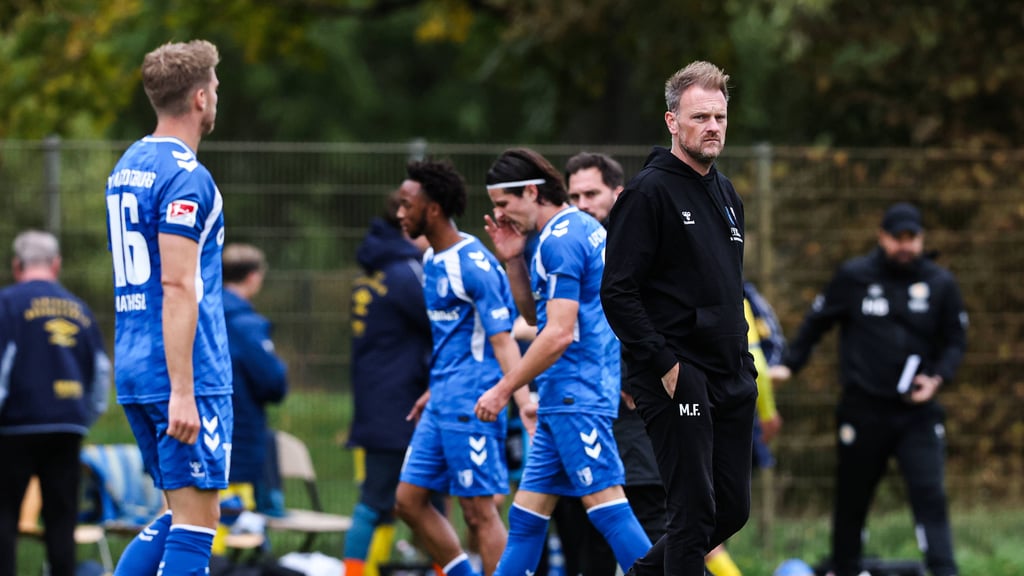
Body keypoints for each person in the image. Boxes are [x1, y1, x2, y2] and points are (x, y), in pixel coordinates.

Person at [600, 61, 758, 575]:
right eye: (699, 117)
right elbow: (617, 291)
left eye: (720, 117)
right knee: (692, 516)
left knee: (730, 510)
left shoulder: (727, 194)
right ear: (672, 122)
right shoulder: (648, 193)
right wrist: (667, 365)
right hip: (678, 377)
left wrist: (745, 366)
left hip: (731, 374)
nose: (712, 127)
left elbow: (728, 291)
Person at [474, 147, 652, 576]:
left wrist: (502, 390)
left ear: (531, 192)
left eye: (503, 204)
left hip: (579, 396)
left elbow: (557, 334)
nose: (499, 215)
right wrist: (513, 259)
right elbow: (538, 315)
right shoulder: (568, 232)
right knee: (526, 521)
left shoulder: (561, 239)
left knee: (609, 510)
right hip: (562, 400)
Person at [770, 202, 967, 576]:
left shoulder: (940, 283)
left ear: (922, 239)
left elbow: (956, 341)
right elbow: (817, 322)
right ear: (882, 237)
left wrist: (937, 378)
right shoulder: (854, 277)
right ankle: (844, 569)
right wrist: (790, 365)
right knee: (851, 502)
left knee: (930, 497)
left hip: (917, 413)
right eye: (898, 238)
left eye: (913, 238)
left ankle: (945, 571)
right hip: (863, 411)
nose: (905, 246)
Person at [105, 39, 232, 576]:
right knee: (198, 526)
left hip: (136, 362)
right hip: (183, 372)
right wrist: (185, 390)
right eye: (217, 88)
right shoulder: (186, 176)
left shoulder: (129, 163)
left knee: (180, 515)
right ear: (201, 98)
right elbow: (179, 286)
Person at [394, 160, 527, 576]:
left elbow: (501, 340)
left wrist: (520, 400)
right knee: (408, 501)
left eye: (406, 204)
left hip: (474, 403)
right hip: (442, 400)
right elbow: (458, 338)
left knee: (480, 514)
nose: (399, 213)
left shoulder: (473, 264)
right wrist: (434, 389)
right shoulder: (434, 258)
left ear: (432, 209)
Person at [559, 152, 666, 576]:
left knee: (650, 517)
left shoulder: (640, 245)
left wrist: (635, 372)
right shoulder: (568, 248)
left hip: (633, 407)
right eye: (574, 196)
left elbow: (654, 317)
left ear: (617, 194)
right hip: (581, 405)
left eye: (592, 193)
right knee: (582, 532)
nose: (582, 204)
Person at [0, 230, 110, 576]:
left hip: (15, 425)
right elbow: (102, 372)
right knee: (62, 521)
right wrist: (84, 417)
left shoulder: (8, 304)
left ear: (17, 265)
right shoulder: (80, 308)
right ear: (56, 265)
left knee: (4, 517)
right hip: (67, 424)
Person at [344, 190, 435, 576]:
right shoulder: (407, 272)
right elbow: (443, 323)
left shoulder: (376, 269)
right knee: (423, 498)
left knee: (381, 500)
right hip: (402, 408)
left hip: (375, 405)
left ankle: (356, 570)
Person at [212, 243, 288, 554]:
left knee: (205, 516)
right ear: (254, 277)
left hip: (202, 432)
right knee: (233, 517)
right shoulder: (247, 325)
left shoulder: (204, 315)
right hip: (240, 439)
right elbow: (273, 382)